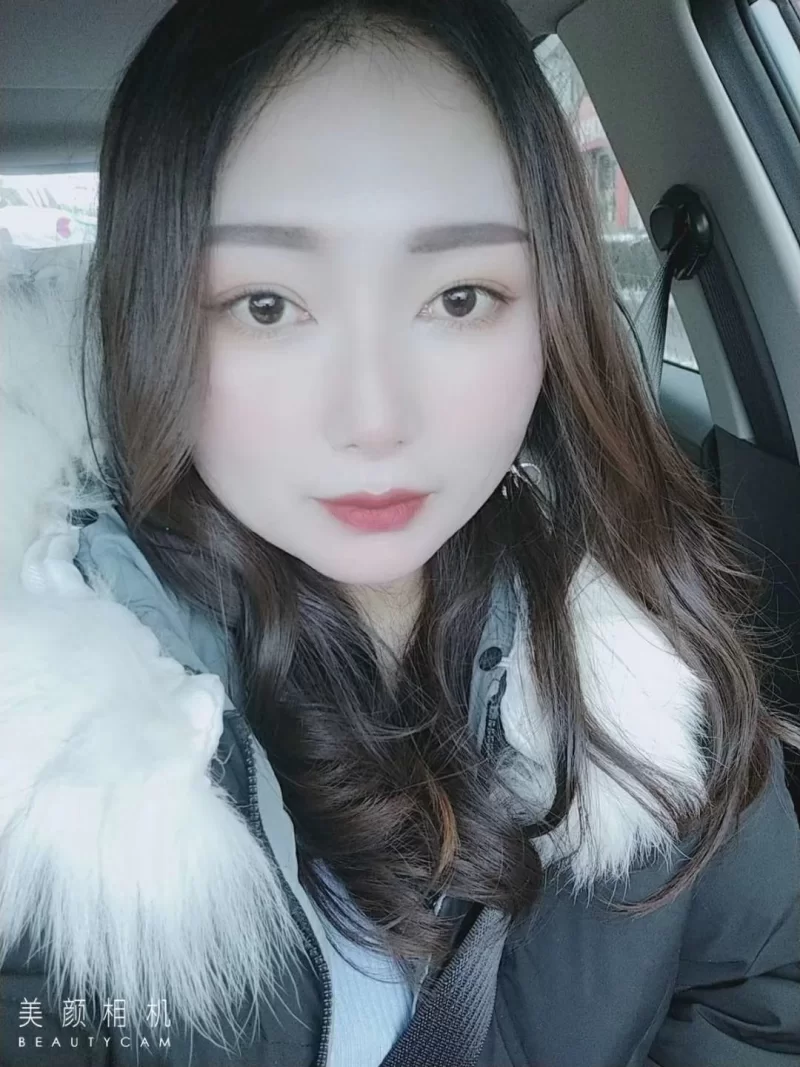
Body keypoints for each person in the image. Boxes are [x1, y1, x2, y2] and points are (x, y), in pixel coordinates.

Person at [1, 1, 799, 1065]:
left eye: (459, 297)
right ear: (151, 322)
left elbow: (758, 994)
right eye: (267, 305)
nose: (374, 419)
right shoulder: (39, 761)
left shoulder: (646, 652)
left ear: (552, 307)